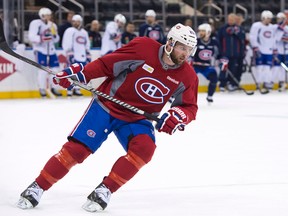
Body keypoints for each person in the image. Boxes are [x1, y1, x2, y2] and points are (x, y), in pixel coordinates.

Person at [17, 23, 198, 212]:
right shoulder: (143, 47)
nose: (185, 53)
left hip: (137, 118)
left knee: (145, 149)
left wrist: (178, 116)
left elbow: (189, 107)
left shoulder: (187, 76)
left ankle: (104, 191)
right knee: (77, 150)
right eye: (182, 47)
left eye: (189, 49)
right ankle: (37, 186)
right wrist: (82, 74)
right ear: (170, 43)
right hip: (106, 105)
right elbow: (107, 64)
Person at [28, 7, 62, 97]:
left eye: (49, 15)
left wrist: (54, 35)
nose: (48, 17)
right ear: (42, 15)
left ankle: (54, 87)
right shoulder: (35, 23)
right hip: (40, 50)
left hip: (51, 50)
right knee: (43, 70)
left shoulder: (52, 25)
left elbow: (56, 39)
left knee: (55, 70)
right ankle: (42, 88)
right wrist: (41, 38)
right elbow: (31, 36)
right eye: (46, 15)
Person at [192, 23, 227, 103]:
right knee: (187, 80)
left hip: (207, 66)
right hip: (195, 65)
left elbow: (220, 54)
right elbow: (190, 54)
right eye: (200, 31)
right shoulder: (195, 42)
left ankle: (210, 96)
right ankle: (177, 95)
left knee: (214, 78)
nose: (200, 33)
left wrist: (223, 59)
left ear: (208, 32)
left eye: (203, 31)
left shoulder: (214, 42)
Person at [62, 14, 91, 97]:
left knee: (80, 73)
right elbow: (67, 43)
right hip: (73, 55)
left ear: (81, 22)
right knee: (71, 72)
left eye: (77, 21)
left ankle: (77, 89)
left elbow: (87, 44)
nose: (75, 23)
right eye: (74, 21)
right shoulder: (69, 30)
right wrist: (69, 54)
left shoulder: (84, 32)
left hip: (82, 56)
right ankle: (69, 90)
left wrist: (88, 54)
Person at [217, 13, 246, 91]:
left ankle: (231, 83)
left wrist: (237, 32)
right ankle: (222, 84)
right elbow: (218, 41)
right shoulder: (222, 29)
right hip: (224, 54)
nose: (230, 21)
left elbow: (242, 40)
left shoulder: (239, 29)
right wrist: (220, 53)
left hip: (235, 54)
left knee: (233, 70)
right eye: (229, 19)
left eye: (232, 20)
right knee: (223, 69)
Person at [249, 10, 275, 91]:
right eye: (268, 18)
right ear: (263, 18)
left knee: (267, 68)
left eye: (270, 18)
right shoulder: (257, 26)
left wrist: (274, 48)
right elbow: (252, 36)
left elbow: (273, 38)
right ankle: (258, 83)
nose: (269, 20)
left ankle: (267, 82)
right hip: (260, 50)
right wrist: (255, 47)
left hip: (269, 51)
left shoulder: (272, 27)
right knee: (259, 67)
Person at [272, 12, 288, 91]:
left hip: (286, 51)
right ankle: (273, 82)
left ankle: (282, 82)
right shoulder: (274, 27)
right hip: (277, 51)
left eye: (282, 19)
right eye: (279, 19)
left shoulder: (287, 28)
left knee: (283, 68)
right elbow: (276, 38)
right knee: (276, 67)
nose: (280, 20)